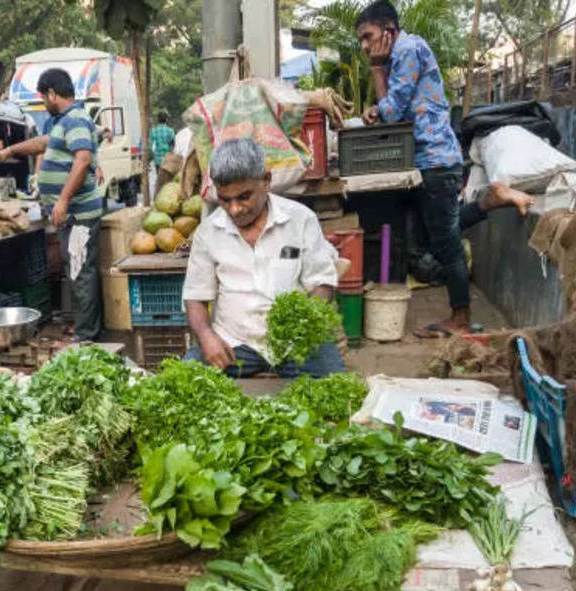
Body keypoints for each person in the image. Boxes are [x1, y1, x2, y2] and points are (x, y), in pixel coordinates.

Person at [181, 139, 343, 378]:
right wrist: (207, 337)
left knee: (334, 387)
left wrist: (306, 323)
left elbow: (322, 283)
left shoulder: (300, 220)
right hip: (234, 343)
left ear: (266, 181)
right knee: (185, 380)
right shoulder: (208, 232)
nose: (235, 209)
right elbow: (195, 297)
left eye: (244, 197)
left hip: (294, 343)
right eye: (225, 199)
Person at [356, 0, 469, 338]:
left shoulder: (408, 49)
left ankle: (461, 319)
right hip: (429, 162)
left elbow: (393, 114)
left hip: (436, 160)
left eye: (368, 35)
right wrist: (381, 106)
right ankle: (491, 202)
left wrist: (377, 70)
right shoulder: (403, 53)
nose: (364, 45)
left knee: (446, 242)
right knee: (438, 236)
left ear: (388, 29)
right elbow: (395, 110)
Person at [0, 68, 103, 341]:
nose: (43, 102)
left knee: (81, 272)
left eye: (43, 96)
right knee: (75, 270)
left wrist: (63, 200)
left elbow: (83, 160)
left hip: (79, 214)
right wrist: (10, 150)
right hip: (70, 215)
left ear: (52, 94)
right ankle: (83, 327)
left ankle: (88, 334)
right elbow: (41, 143)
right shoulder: (62, 122)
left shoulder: (76, 119)